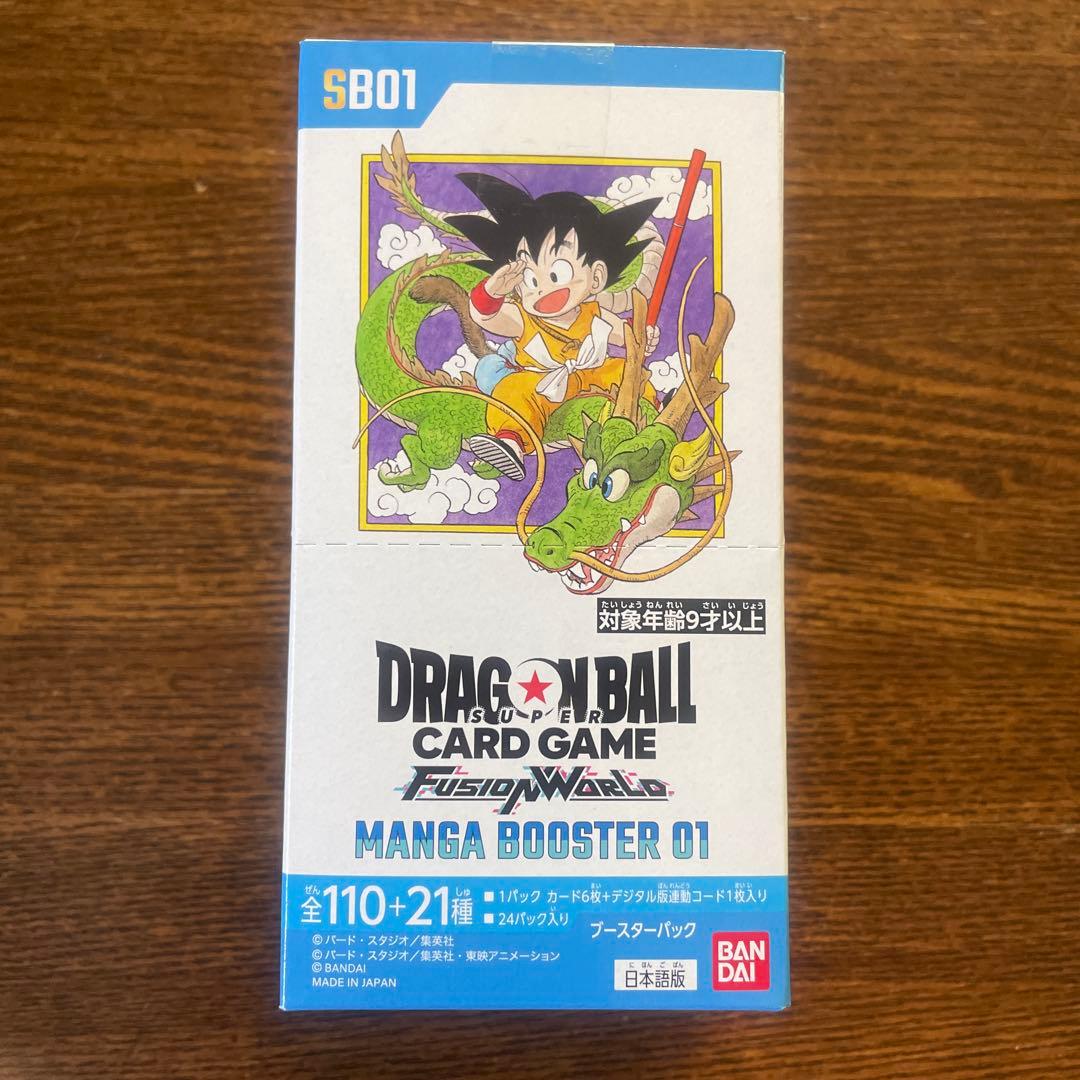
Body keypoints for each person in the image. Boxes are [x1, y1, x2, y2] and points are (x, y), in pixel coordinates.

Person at [445, 174, 661, 480]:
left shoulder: (595, 313)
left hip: (593, 375)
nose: (542, 289)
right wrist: (492, 291)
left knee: (627, 372)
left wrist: (643, 339)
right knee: (514, 389)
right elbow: (485, 317)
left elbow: (628, 338)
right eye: (531, 279)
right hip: (541, 383)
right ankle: (510, 442)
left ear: (596, 278)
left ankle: (653, 413)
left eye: (557, 274)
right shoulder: (523, 318)